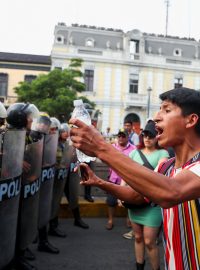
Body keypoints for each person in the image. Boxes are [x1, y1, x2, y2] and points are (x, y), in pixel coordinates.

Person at [69, 87, 200, 270]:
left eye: (166, 110)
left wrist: (101, 147)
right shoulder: (166, 166)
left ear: (191, 120)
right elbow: (138, 196)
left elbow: (171, 192)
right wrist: (99, 182)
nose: (156, 117)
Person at [125, 120, 169, 269]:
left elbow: (160, 169)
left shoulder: (162, 152)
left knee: (150, 241)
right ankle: (139, 266)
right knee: (137, 238)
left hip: (152, 203)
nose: (147, 138)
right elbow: (126, 175)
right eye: (145, 135)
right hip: (134, 201)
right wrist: (121, 193)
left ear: (157, 137)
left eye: (151, 135)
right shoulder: (133, 153)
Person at [105, 128, 136, 230]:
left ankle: (129, 219)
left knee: (129, 201)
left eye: (123, 136)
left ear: (128, 137)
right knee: (111, 201)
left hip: (128, 181)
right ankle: (110, 220)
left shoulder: (133, 149)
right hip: (113, 179)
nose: (121, 138)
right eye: (119, 136)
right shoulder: (112, 147)